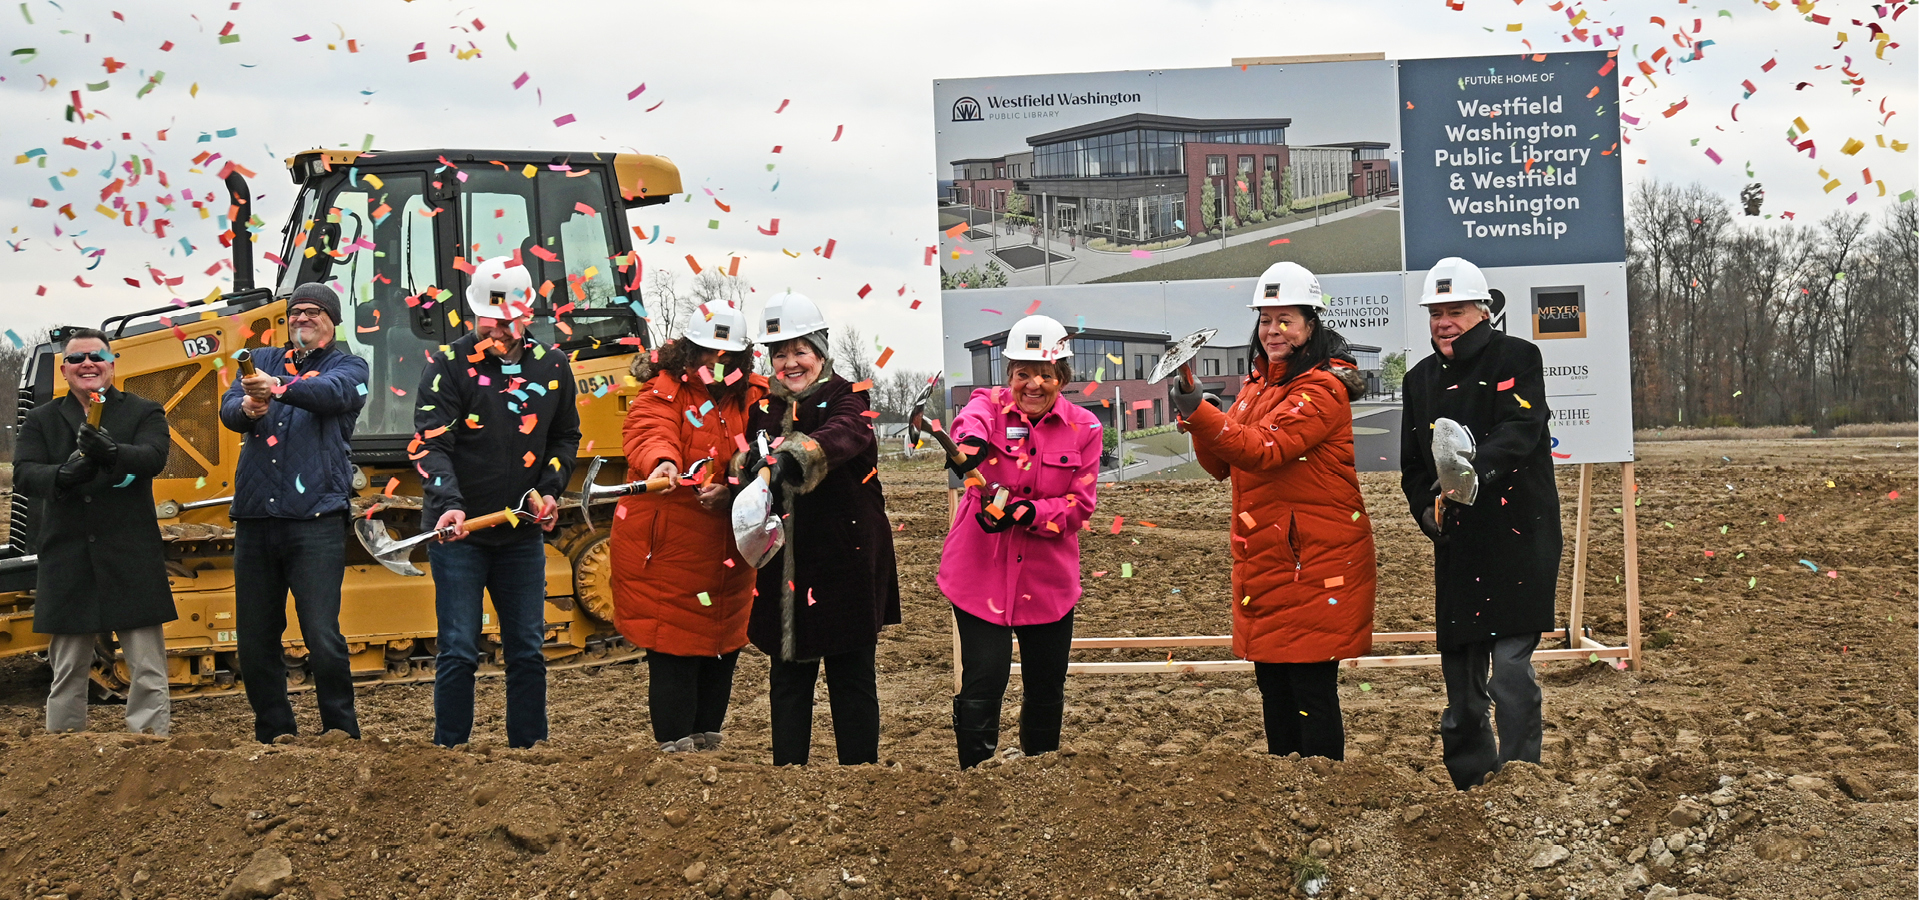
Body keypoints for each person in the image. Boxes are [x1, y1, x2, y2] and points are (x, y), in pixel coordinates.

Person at [1172, 261, 1377, 761]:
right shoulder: (1256, 387)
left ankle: (1326, 800)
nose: (1273, 330)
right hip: (1270, 561)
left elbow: (1264, 449)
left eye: (1285, 319)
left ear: (1312, 326)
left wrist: (1202, 412)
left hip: (1312, 565)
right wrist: (1199, 417)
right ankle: (1286, 795)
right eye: (1266, 319)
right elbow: (1222, 463)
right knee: (1276, 692)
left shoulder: (1322, 391)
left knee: (1309, 693)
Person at [1399, 256, 1562, 790]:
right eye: (1436, 312)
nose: (1444, 322)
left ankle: (1519, 783)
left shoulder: (1519, 357)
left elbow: (1522, 428)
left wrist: (1471, 474)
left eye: (1456, 311)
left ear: (1483, 311)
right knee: (1462, 686)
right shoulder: (1419, 380)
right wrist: (1431, 510)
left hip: (1519, 538)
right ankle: (1471, 784)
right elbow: (1415, 467)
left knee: (1512, 672)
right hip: (1460, 548)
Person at [413, 257, 580, 749]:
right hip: (458, 532)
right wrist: (448, 501)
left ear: (527, 314)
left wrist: (550, 491)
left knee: (527, 648)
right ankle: (449, 751)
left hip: (520, 533)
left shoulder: (553, 366)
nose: (497, 327)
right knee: (459, 648)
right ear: (473, 315)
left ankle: (529, 752)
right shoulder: (446, 366)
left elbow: (565, 437)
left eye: (507, 320)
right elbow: (431, 443)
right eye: (488, 318)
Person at [733, 291, 900, 766]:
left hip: (844, 555)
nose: (789, 363)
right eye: (779, 353)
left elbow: (842, 436)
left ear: (821, 351)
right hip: (784, 561)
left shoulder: (851, 397)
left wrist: (788, 457)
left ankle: (860, 777)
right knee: (787, 677)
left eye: (799, 351)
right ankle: (789, 777)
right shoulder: (762, 409)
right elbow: (748, 459)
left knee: (851, 676)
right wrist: (739, 473)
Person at [935, 314, 1101, 768]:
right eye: (1023, 372)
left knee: (1046, 684)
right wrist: (969, 447)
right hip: (979, 572)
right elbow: (972, 423)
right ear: (1008, 375)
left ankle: (1039, 776)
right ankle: (975, 775)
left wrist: (1028, 513)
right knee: (983, 679)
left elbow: (1079, 505)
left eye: (1045, 373)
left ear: (1061, 377)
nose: (1034, 383)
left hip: (1047, 580)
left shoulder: (1085, 428)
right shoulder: (986, 406)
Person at [218, 282, 369, 743]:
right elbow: (227, 409)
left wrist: (279, 389)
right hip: (256, 518)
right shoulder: (259, 360)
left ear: (332, 320)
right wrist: (246, 405)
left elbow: (333, 393)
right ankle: (275, 732)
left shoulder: (351, 366)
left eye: (313, 312)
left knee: (322, 636)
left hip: (316, 520)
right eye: (295, 312)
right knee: (255, 639)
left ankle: (340, 731)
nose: (302, 318)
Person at [610, 303, 764, 753]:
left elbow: (766, 449)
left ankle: (707, 741)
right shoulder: (663, 393)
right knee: (675, 648)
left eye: (729, 354)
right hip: (669, 550)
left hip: (731, 550)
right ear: (690, 350)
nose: (719, 363)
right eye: (710, 352)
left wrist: (735, 493)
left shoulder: (752, 396)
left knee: (723, 645)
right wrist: (662, 463)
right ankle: (675, 750)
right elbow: (648, 432)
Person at [13, 328, 175, 735]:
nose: (88, 363)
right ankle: (64, 747)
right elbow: (25, 473)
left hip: (130, 554)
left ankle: (150, 747)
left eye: (97, 356)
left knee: (148, 669)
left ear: (112, 364)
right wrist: (62, 475)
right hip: (68, 556)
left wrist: (114, 454)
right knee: (67, 670)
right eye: (77, 359)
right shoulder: (42, 418)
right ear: (64, 370)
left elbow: (155, 457)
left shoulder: (144, 411)